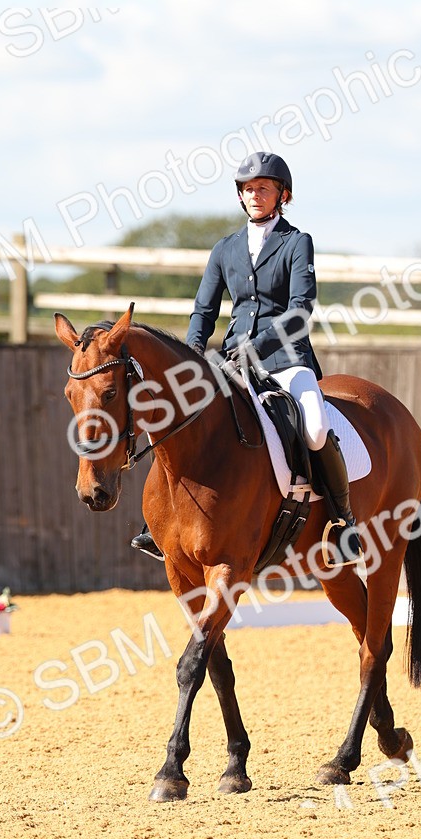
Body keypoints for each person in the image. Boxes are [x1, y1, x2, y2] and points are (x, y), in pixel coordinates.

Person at [131, 151, 363, 567]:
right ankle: (159, 523)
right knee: (180, 422)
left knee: (313, 426)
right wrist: (193, 360)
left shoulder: (296, 243)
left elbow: (300, 312)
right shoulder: (225, 248)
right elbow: (203, 311)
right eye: (248, 189)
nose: (255, 195)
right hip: (231, 363)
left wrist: (259, 348)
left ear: (282, 195)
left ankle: (343, 523)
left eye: (264, 188)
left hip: (288, 362)